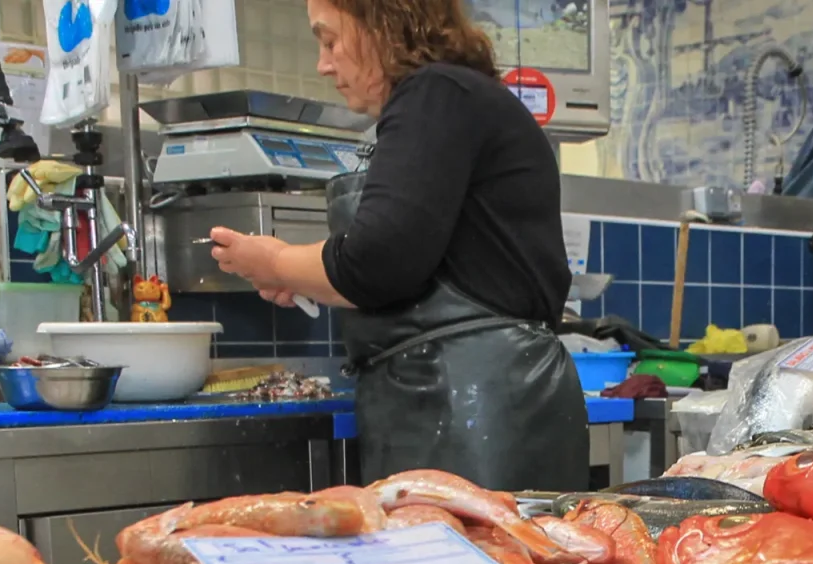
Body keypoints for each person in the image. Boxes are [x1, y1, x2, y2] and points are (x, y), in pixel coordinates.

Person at [206, 0, 588, 490]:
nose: (323, 64)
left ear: (383, 24)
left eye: (330, 39)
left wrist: (275, 262)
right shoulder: (457, 98)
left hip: (470, 405)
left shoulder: (433, 94)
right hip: (474, 398)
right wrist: (307, 281)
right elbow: (411, 264)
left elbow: (376, 264)